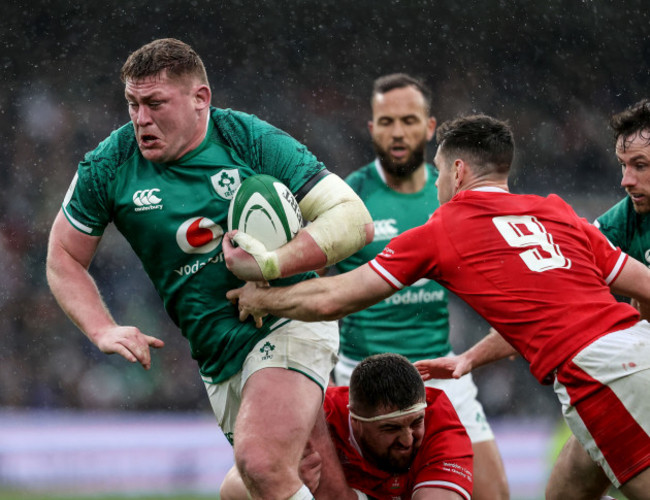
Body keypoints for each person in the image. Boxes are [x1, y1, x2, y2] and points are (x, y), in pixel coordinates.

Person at [225, 114, 650, 499]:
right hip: (637, 348)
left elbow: (333, 298)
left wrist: (265, 298)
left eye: (440, 173)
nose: (437, 184)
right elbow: (635, 287)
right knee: (568, 489)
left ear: (458, 172)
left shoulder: (442, 228)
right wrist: (470, 357)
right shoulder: (558, 213)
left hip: (599, 375)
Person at [45, 38, 373, 500]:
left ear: (201, 99)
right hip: (217, 358)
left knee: (261, 463)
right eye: (133, 104)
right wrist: (102, 328)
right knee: (305, 486)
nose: (141, 119)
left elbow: (352, 219)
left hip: (285, 321)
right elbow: (63, 255)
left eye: (156, 103)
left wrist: (271, 263)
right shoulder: (109, 164)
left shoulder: (247, 139)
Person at [331, 73, 508, 500]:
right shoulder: (344, 198)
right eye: (386, 122)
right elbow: (318, 291)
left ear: (429, 127)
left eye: (408, 120)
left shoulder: (452, 193)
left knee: (495, 494)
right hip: (361, 379)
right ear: (372, 128)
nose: (397, 132)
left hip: (438, 372)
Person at [546, 98, 650, 499]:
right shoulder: (618, 223)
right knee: (566, 487)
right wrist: (471, 358)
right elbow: (556, 296)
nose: (626, 179)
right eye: (623, 165)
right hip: (641, 374)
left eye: (639, 165)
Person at [222, 352, 474, 500]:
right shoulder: (316, 413)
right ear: (355, 419)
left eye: (415, 423)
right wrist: (284, 481)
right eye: (390, 428)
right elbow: (230, 491)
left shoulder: (439, 420)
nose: (407, 440)